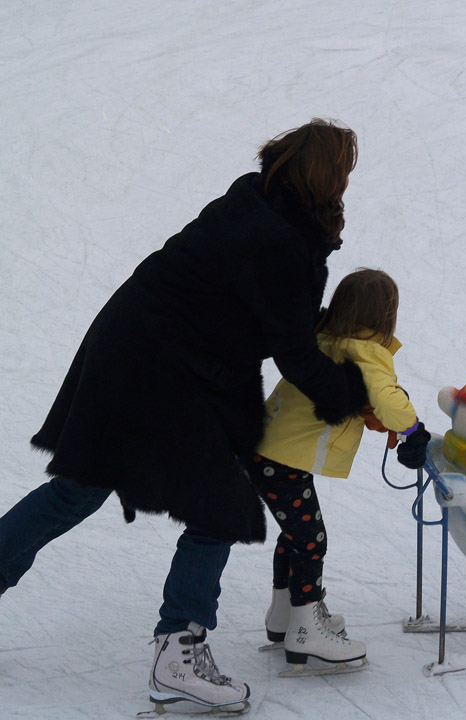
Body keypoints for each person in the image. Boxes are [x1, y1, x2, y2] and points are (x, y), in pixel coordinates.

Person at [0, 119, 401, 711]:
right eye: (346, 170)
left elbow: (271, 312)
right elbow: (290, 345)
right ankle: (177, 652)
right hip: (167, 368)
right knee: (220, 504)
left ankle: (177, 647)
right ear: (327, 175)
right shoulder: (287, 241)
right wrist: (351, 392)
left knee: (77, 492)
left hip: (129, 344)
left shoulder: (256, 199)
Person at [243, 267, 431, 671]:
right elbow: (386, 398)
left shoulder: (321, 338)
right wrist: (413, 430)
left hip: (267, 449)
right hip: (283, 459)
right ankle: (305, 632)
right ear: (386, 316)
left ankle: (285, 616)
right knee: (311, 542)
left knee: (295, 535)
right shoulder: (366, 350)